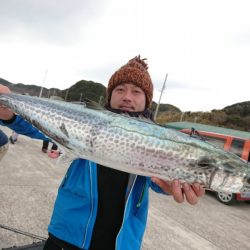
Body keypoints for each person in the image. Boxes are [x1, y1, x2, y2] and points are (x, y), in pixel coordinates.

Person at [0, 56, 205, 250]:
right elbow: (37, 128)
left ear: (146, 100)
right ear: (110, 95)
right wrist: (9, 115)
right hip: (68, 234)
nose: (126, 97)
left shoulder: (159, 141)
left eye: (136, 91)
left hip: (122, 242)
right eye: (120, 89)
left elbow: (156, 181)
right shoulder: (84, 121)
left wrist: (169, 186)